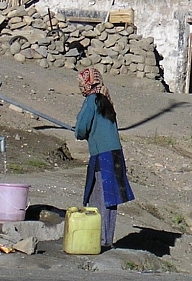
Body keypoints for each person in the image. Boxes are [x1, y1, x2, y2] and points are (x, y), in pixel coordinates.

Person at [74, 68, 134, 249]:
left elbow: (81, 128)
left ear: (87, 83)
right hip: (115, 154)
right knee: (110, 198)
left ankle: (99, 240)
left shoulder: (91, 100)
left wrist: (80, 132)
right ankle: (107, 238)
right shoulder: (106, 99)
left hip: (102, 156)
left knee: (99, 197)